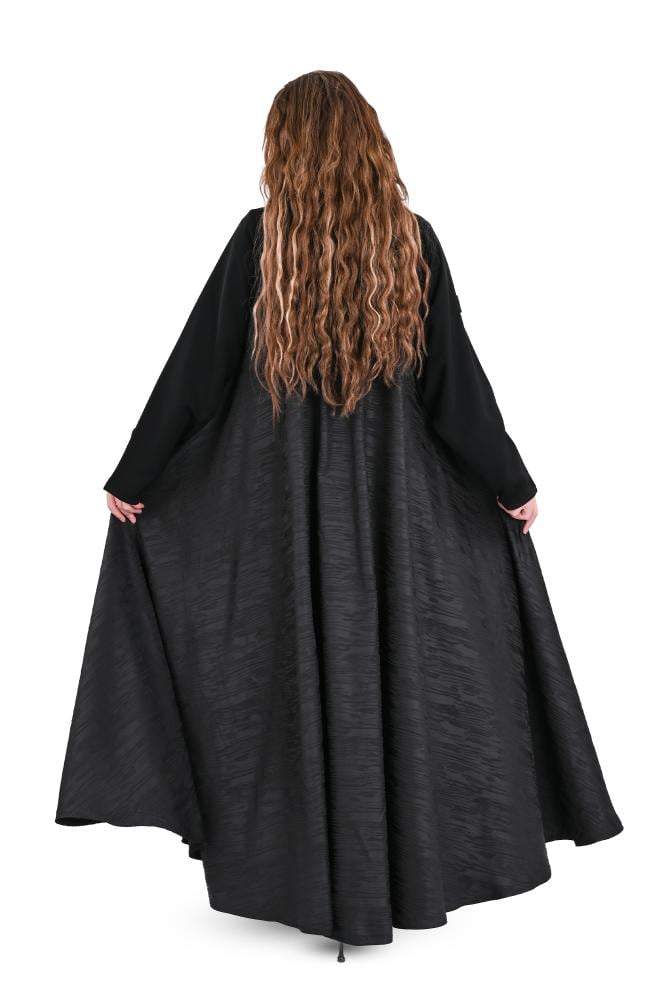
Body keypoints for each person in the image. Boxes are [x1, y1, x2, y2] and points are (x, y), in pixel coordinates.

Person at [55, 70, 622, 959]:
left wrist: (136, 474)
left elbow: (194, 381)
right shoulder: (409, 241)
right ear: (370, 143)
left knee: (287, 684)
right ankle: (387, 875)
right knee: (397, 674)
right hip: (396, 520)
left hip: (281, 523)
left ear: (284, 148)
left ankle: (318, 876)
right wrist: (511, 483)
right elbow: (456, 393)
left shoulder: (263, 244)